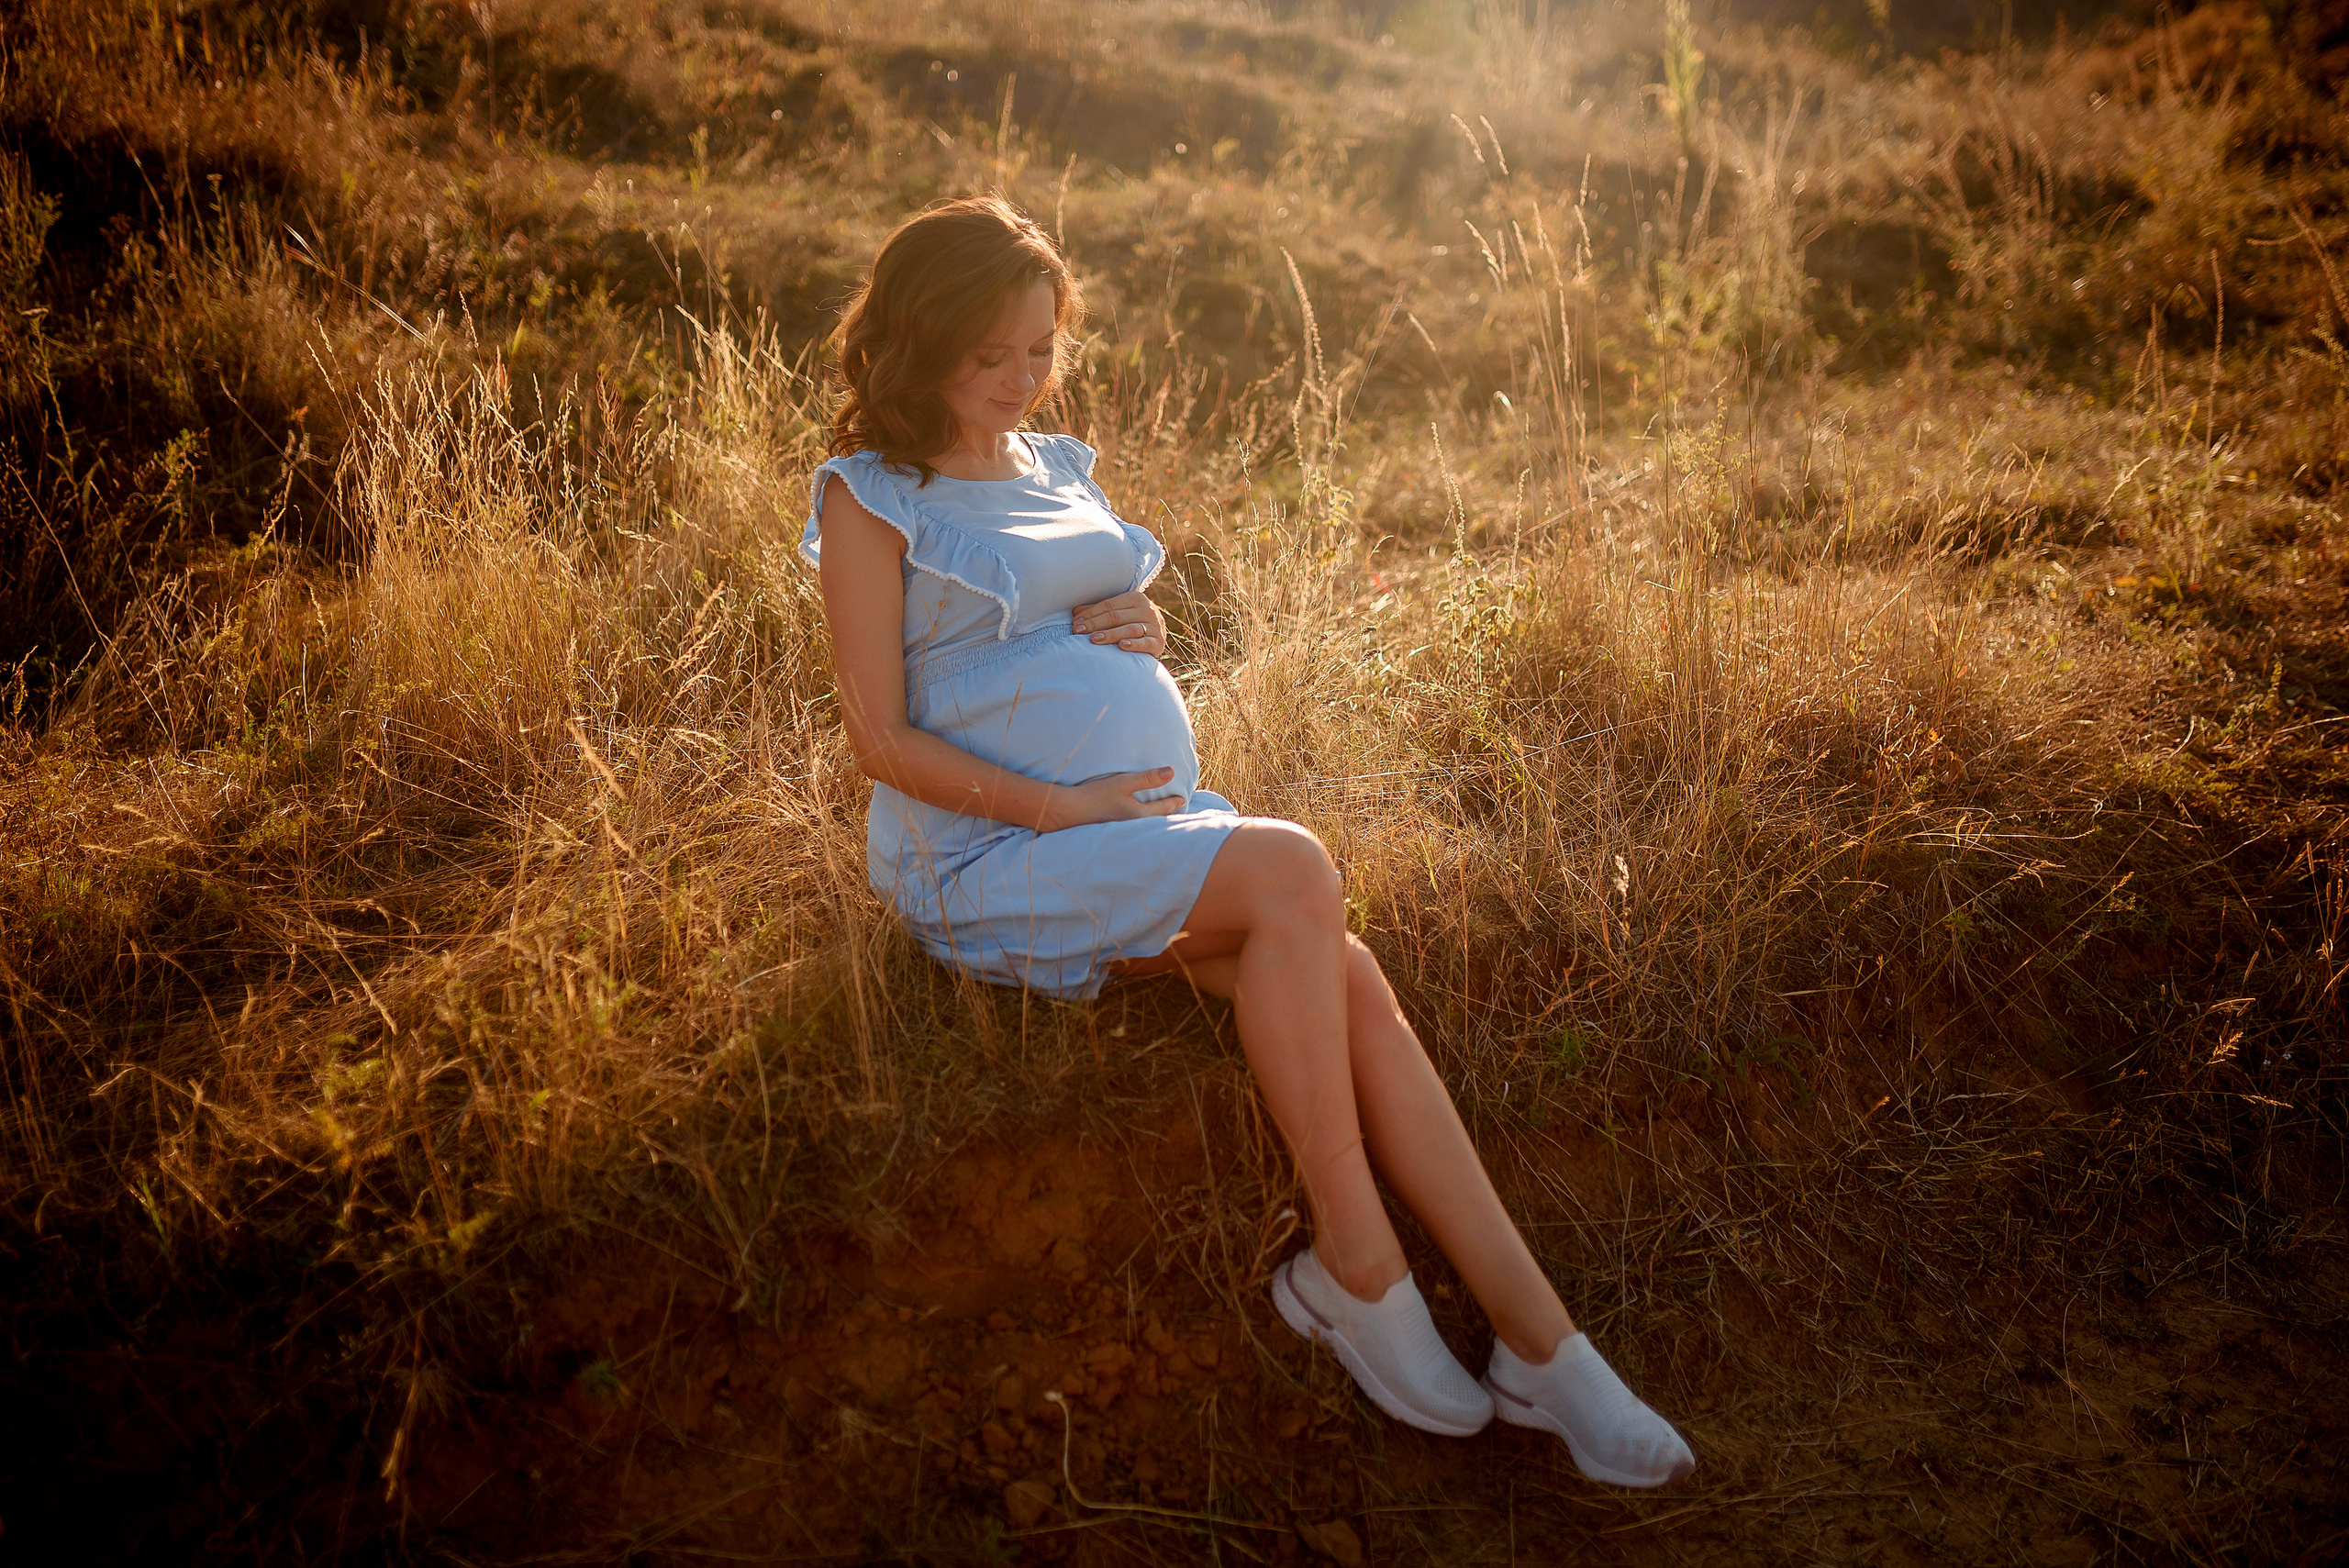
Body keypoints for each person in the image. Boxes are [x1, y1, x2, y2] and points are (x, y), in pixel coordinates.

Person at [801, 195, 1695, 1486]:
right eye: (989, 353)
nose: (1019, 378)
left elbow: (1062, 620)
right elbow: (876, 737)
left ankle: (1544, 1345)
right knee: (1296, 871)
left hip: (1132, 835)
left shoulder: (1054, 464)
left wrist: (1135, 633)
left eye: (1040, 349)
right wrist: (1071, 804)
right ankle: (1356, 1267)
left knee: (1347, 974)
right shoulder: (874, 498)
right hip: (988, 862)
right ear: (916, 339)